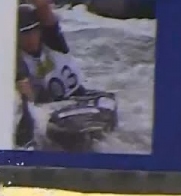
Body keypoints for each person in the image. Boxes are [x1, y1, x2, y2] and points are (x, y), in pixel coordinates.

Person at [14, 0, 117, 151]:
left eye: (34, 31)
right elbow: (29, 100)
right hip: (48, 109)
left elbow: (44, 10)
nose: (30, 37)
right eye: (25, 33)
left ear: (40, 31)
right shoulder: (15, 59)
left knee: (107, 101)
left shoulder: (53, 42)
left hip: (76, 97)